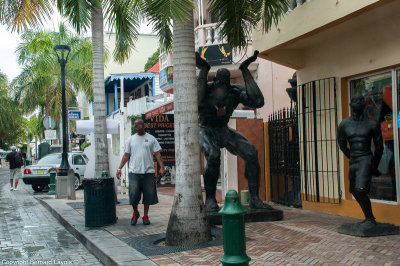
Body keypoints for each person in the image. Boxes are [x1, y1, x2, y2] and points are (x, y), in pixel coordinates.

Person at [196, 50, 272, 212]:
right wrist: (203, 70)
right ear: (214, 81)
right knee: (214, 155)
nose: (222, 87)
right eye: (219, 83)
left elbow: (258, 101)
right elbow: (196, 102)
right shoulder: (206, 90)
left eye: (226, 83)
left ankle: (255, 199)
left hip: (223, 129)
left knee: (251, 152)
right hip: (205, 129)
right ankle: (210, 199)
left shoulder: (234, 91)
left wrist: (245, 71)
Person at [337, 94, 383, 225]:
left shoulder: (372, 123)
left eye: (360, 101)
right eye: (355, 101)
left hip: (366, 158)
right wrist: (350, 156)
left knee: (360, 189)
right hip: (354, 159)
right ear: (350, 105)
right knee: (353, 190)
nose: (358, 103)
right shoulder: (344, 124)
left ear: (365, 105)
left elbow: (379, 146)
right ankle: (369, 217)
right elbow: (341, 143)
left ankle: (370, 219)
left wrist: (374, 164)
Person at [116, 119, 165, 225]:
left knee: (148, 195)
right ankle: (135, 212)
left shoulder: (151, 139)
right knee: (133, 195)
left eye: (139, 125)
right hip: (134, 172)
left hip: (148, 172)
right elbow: (126, 155)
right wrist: (119, 168)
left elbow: (157, 154)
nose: (137, 127)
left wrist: (162, 167)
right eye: (135, 125)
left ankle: (146, 216)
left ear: (144, 126)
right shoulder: (131, 139)